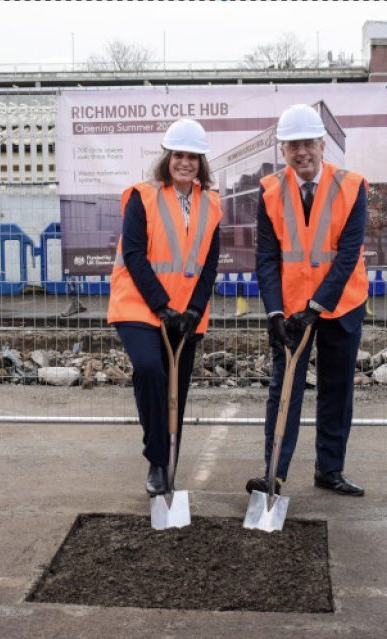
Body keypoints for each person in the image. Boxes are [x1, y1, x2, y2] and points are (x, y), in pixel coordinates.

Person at [248, 104, 369, 498]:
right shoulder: (269, 191)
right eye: (291, 146)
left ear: (322, 144)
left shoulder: (352, 186)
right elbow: (266, 258)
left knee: (337, 390)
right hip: (290, 311)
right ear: (282, 150)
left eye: (307, 144)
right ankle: (274, 475)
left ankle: (329, 470)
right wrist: (275, 313)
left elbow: (348, 256)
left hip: (339, 305)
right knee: (284, 390)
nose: (301, 152)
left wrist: (315, 308)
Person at [107, 119, 223, 497]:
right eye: (178, 155)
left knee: (178, 389)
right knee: (150, 369)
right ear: (167, 158)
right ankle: (157, 459)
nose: (185, 162)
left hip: (186, 312)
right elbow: (135, 256)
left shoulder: (212, 204)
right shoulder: (143, 197)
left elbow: (208, 265)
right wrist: (162, 307)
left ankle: (168, 462)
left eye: (192, 156)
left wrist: (192, 310)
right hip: (139, 305)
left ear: (201, 161)